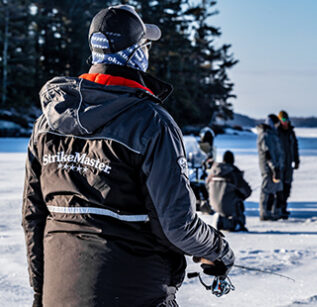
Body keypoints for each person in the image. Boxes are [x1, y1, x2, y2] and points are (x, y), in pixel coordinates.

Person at [21, 5, 234, 306]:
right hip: (136, 293)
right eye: (145, 45)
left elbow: (33, 218)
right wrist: (219, 250)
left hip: (59, 294)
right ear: (136, 53)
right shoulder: (151, 122)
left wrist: (41, 293)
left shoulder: (47, 124)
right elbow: (178, 226)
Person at [207, 151, 252, 232]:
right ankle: (234, 223)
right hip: (229, 205)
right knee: (239, 205)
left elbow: (207, 185)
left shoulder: (213, 172)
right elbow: (247, 191)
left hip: (213, 204)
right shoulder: (233, 173)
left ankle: (220, 219)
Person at [256, 114, 284, 220]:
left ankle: (275, 212)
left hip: (276, 166)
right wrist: (273, 167)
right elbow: (268, 153)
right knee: (267, 190)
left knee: (276, 190)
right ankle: (264, 213)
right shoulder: (265, 135)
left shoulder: (273, 134)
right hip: (268, 168)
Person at [276, 110, 300, 219]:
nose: (285, 122)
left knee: (287, 186)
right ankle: (279, 208)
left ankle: (284, 207)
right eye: (283, 120)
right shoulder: (277, 132)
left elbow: (295, 147)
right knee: (279, 187)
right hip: (280, 164)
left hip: (289, 163)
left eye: (287, 120)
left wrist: (296, 159)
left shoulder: (291, 132)